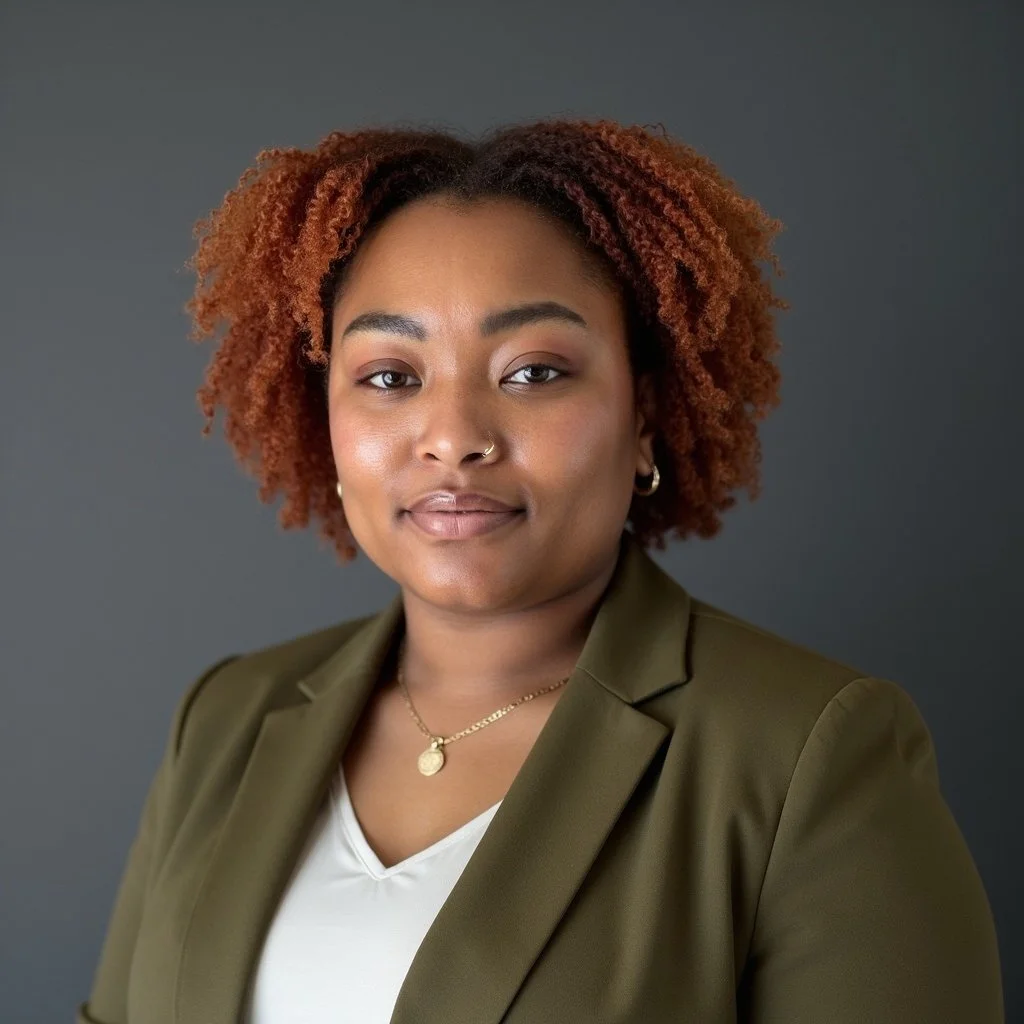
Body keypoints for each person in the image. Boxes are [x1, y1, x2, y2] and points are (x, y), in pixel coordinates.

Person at [77, 119, 1004, 1024]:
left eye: (533, 372)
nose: (453, 438)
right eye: (392, 376)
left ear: (645, 414)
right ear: (321, 417)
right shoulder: (227, 719)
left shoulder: (808, 755)